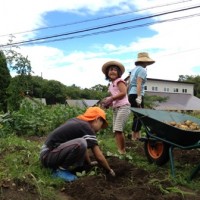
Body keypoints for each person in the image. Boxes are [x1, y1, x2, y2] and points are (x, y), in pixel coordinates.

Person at [40, 106, 115, 182]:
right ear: (97, 119)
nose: (100, 128)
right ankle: (60, 171)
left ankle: (69, 167)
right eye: (102, 124)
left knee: (82, 142)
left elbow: (84, 148)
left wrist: (89, 163)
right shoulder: (86, 127)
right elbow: (98, 156)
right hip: (48, 155)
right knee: (81, 143)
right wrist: (109, 170)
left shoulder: (78, 122)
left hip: (47, 155)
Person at [101, 61, 130, 155]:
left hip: (123, 107)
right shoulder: (110, 85)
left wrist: (111, 98)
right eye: (110, 70)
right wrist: (108, 103)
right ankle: (119, 150)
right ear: (107, 73)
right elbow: (114, 98)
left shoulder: (119, 81)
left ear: (119, 73)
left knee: (118, 129)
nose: (112, 72)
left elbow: (123, 93)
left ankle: (122, 151)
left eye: (114, 70)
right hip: (116, 108)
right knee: (116, 131)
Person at [128, 52, 155, 141]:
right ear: (144, 61)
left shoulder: (133, 70)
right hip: (137, 94)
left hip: (131, 94)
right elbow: (138, 83)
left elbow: (129, 84)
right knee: (140, 116)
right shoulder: (142, 70)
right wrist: (139, 97)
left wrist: (127, 95)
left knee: (136, 116)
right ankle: (134, 137)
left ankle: (136, 136)